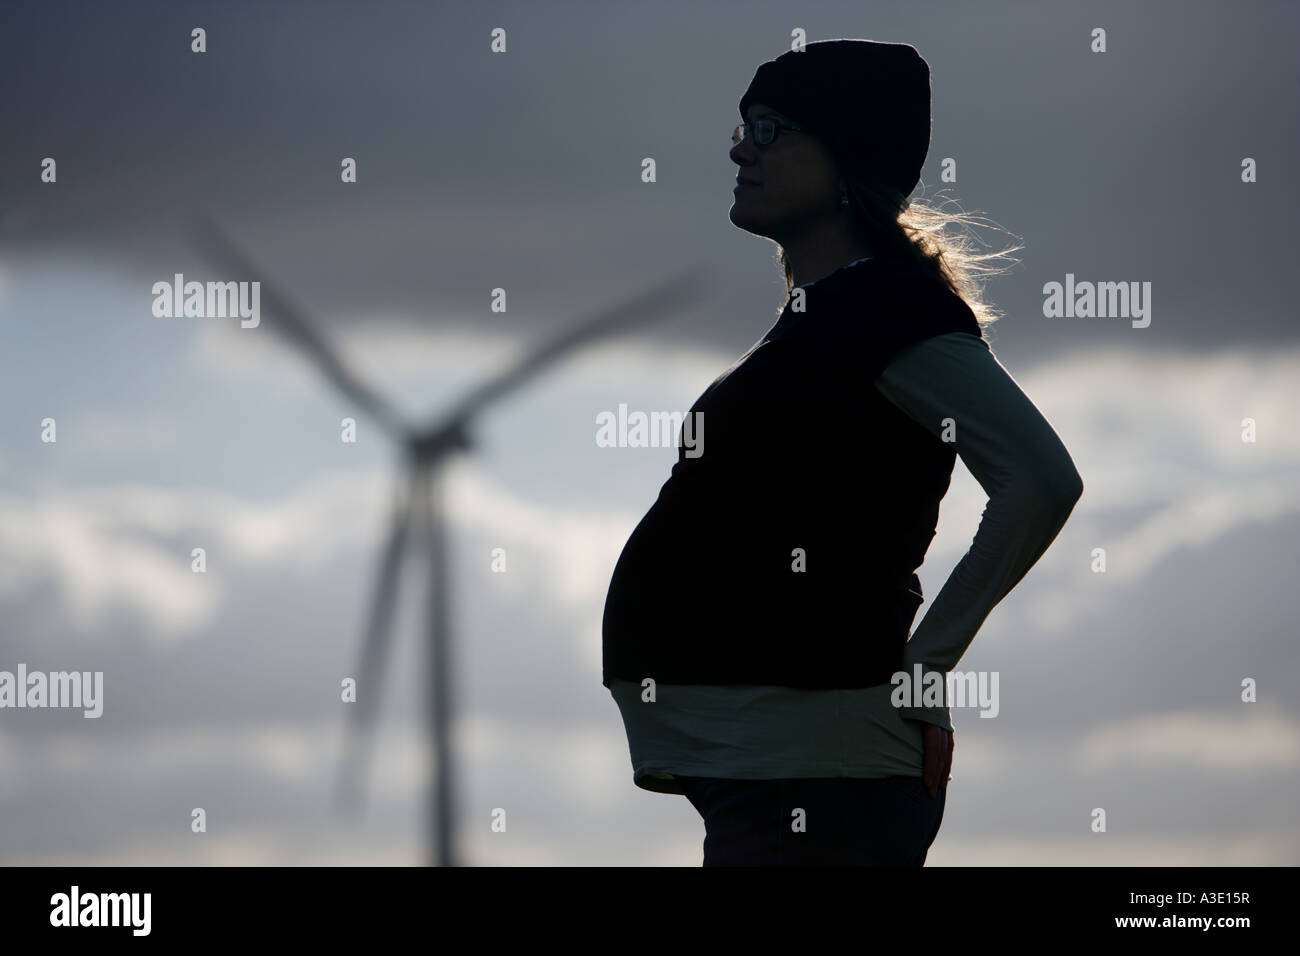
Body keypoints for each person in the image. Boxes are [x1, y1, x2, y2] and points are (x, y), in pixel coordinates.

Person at [601, 39, 1083, 866]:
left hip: (817, 777)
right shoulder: (834, 314)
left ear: (846, 161)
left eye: (771, 129)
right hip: (775, 775)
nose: (739, 148)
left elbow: (1041, 479)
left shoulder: (892, 315)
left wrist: (926, 666)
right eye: (744, 125)